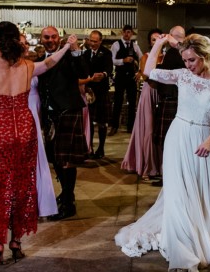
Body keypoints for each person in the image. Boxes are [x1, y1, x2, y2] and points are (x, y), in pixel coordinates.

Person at [114, 33, 210, 272]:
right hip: (178, 137)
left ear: (205, 56)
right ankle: (182, 251)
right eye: (185, 60)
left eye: (192, 60)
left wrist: (209, 141)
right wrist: (159, 43)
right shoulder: (182, 76)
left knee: (200, 192)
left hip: (204, 141)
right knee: (178, 193)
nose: (188, 65)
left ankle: (201, 241)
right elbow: (149, 71)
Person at [0, 22, 76, 266]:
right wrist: (65, 47)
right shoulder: (28, 66)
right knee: (22, 187)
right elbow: (49, 63)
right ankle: (16, 241)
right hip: (25, 129)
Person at [38, 28, 90, 221]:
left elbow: (84, 72)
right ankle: (66, 193)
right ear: (41, 39)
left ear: (59, 39)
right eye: (46, 37)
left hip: (68, 111)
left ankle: (68, 202)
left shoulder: (69, 55)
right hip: (49, 115)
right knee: (55, 158)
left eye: (53, 37)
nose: (50, 40)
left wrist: (75, 49)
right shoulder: (39, 58)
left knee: (66, 160)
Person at [20, 34, 58, 218]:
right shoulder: (14, 67)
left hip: (36, 112)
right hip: (23, 112)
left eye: (26, 43)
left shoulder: (30, 65)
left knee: (37, 156)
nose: (26, 46)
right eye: (22, 43)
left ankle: (39, 201)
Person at [121, 28, 163, 180]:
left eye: (159, 38)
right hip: (149, 93)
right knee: (149, 130)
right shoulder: (146, 56)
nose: (157, 41)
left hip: (162, 95)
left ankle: (159, 165)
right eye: (153, 39)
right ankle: (147, 165)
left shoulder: (167, 57)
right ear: (150, 42)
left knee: (160, 130)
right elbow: (146, 76)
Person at [151, 25, 187, 186]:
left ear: (172, 36)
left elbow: (159, 75)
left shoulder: (175, 52)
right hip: (174, 99)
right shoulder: (182, 52)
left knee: (169, 142)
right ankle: (169, 175)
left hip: (172, 100)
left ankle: (170, 177)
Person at [83, 30, 113, 159]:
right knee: (88, 121)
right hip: (88, 91)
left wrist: (104, 74)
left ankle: (101, 148)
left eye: (95, 41)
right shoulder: (85, 54)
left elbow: (109, 68)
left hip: (101, 91)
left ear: (100, 41)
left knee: (102, 121)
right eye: (91, 40)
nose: (92, 43)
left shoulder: (106, 53)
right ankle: (88, 148)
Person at [109, 24, 143, 135]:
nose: (127, 34)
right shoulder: (116, 45)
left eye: (129, 32)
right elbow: (112, 60)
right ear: (122, 33)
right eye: (125, 32)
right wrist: (123, 60)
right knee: (118, 101)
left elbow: (143, 59)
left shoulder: (135, 46)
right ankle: (114, 126)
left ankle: (131, 127)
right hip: (120, 77)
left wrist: (140, 72)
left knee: (132, 103)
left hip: (132, 77)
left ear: (132, 34)